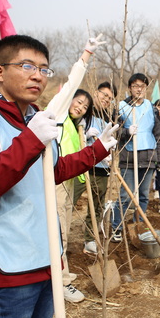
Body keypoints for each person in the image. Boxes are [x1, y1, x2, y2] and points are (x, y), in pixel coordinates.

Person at [0, 35, 117, 318]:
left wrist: (99, 149)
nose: (37, 75)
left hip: (47, 264)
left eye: (44, 69)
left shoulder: (34, 119)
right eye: (26, 66)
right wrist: (29, 142)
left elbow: (54, 171)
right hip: (7, 275)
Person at [111, 73, 160, 242]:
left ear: (146, 88)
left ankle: (138, 225)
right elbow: (113, 132)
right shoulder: (121, 107)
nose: (139, 89)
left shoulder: (151, 107)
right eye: (135, 86)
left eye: (142, 86)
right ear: (129, 89)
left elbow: (158, 135)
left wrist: (159, 158)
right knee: (125, 196)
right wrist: (126, 131)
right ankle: (116, 228)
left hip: (148, 158)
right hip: (128, 158)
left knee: (142, 196)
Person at [54, 89, 93, 303]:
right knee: (59, 232)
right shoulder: (59, 116)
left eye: (85, 107)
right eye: (78, 102)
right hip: (57, 181)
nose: (80, 107)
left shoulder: (71, 122)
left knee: (65, 228)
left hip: (68, 181)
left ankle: (62, 272)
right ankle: (62, 283)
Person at [80, 81, 117, 255]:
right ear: (96, 93)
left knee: (97, 205)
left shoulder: (106, 118)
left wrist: (109, 150)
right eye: (104, 95)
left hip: (102, 167)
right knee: (68, 203)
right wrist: (86, 136)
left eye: (110, 98)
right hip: (81, 165)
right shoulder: (83, 112)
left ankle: (90, 239)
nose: (106, 100)